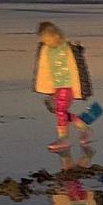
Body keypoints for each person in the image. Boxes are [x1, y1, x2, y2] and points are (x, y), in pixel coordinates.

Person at [33, 21, 93, 152]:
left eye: (48, 39)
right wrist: (47, 89)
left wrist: (78, 49)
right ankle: (83, 127)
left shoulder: (66, 48)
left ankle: (63, 139)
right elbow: (44, 69)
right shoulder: (46, 49)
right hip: (56, 88)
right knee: (60, 112)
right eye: (43, 40)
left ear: (56, 36)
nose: (46, 42)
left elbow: (77, 63)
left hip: (67, 87)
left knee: (60, 111)